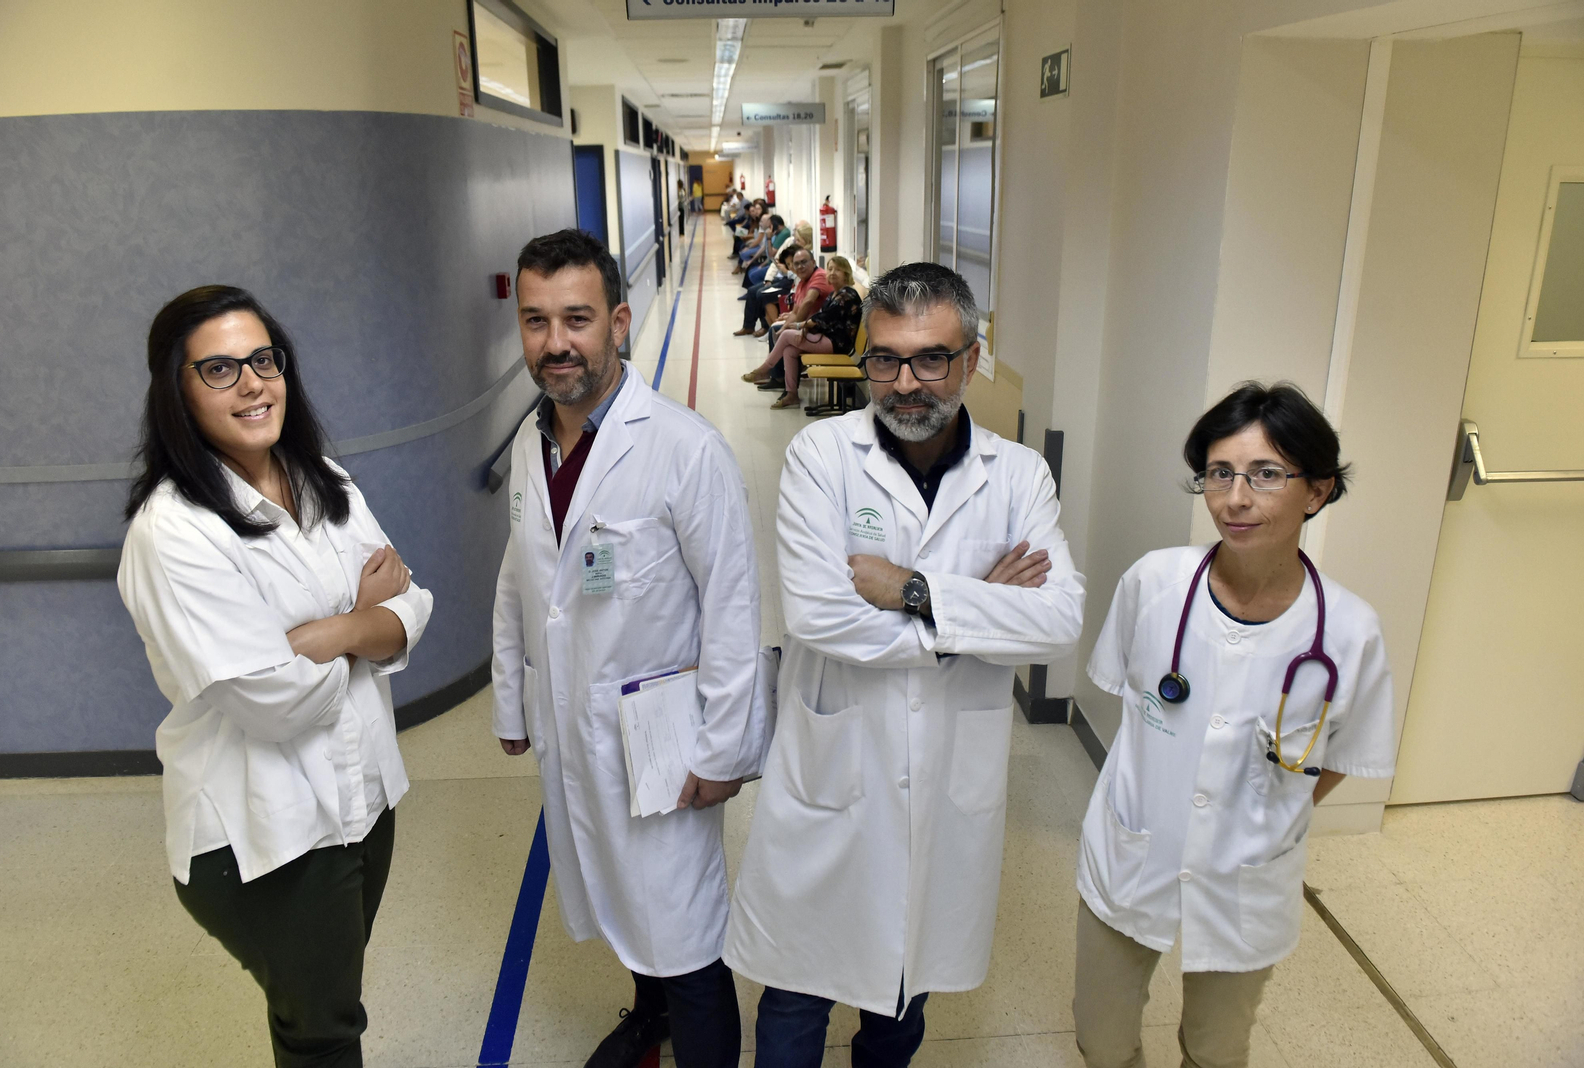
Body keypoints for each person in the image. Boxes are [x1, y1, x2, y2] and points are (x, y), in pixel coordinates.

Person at [724, 262, 1087, 1067]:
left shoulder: (1018, 475)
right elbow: (821, 617)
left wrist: (912, 589)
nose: (905, 383)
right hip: (834, 770)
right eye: (884, 359)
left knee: (903, 989)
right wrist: (974, 615)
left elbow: (1059, 621)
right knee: (795, 988)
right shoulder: (822, 457)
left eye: (931, 358)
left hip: (948, 773)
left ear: (972, 358)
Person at [117, 285, 433, 1068]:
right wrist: (364, 622)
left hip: (362, 800)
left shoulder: (319, 476)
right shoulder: (174, 532)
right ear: (176, 391)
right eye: (219, 369)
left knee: (318, 1008)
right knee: (322, 1031)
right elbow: (277, 702)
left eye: (263, 360)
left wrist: (325, 633)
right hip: (268, 833)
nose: (254, 383)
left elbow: (414, 601)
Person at [491, 229, 765, 1068]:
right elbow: (518, 583)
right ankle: (649, 1020)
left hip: (664, 739)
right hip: (575, 721)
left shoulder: (684, 450)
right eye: (536, 322)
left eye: (576, 318)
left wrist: (725, 748)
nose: (555, 342)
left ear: (619, 321)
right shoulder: (529, 448)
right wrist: (512, 700)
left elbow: (734, 608)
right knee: (616, 886)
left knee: (682, 927)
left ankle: (694, 1037)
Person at [1072, 383, 1396, 1068]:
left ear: (1317, 491)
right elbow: (1128, 698)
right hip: (1134, 848)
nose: (1235, 498)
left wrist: (1266, 812)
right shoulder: (1153, 585)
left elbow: (1344, 753)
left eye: (1266, 474)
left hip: (1250, 869)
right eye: (1219, 473)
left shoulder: (1350, 631)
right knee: (1101, 1038)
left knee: (1218, 1049)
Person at [741, 256, 861, 410]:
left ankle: (766, 369)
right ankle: (791, 395)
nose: (832, 273)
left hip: (838, 344)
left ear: (846, 273)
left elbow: (822, 319)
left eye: (838, 269)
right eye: (830, 269)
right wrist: (801, 327)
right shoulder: (835, 294)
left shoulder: (847, 295)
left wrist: (798, 325)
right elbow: (820, 317)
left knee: (786, 334)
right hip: (827, 339)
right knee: (790, 350)